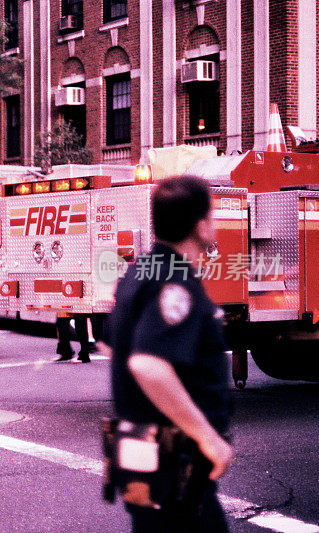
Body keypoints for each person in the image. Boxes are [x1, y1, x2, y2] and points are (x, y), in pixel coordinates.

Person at [105, 176, 233, 531]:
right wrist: (209, 439)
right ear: (200, 224)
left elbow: (111, 342)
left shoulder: (138, 272)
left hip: (139, 449)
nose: (215, 223)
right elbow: (148, 364)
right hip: (174, 458)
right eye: (212, 215)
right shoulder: (176, 280)